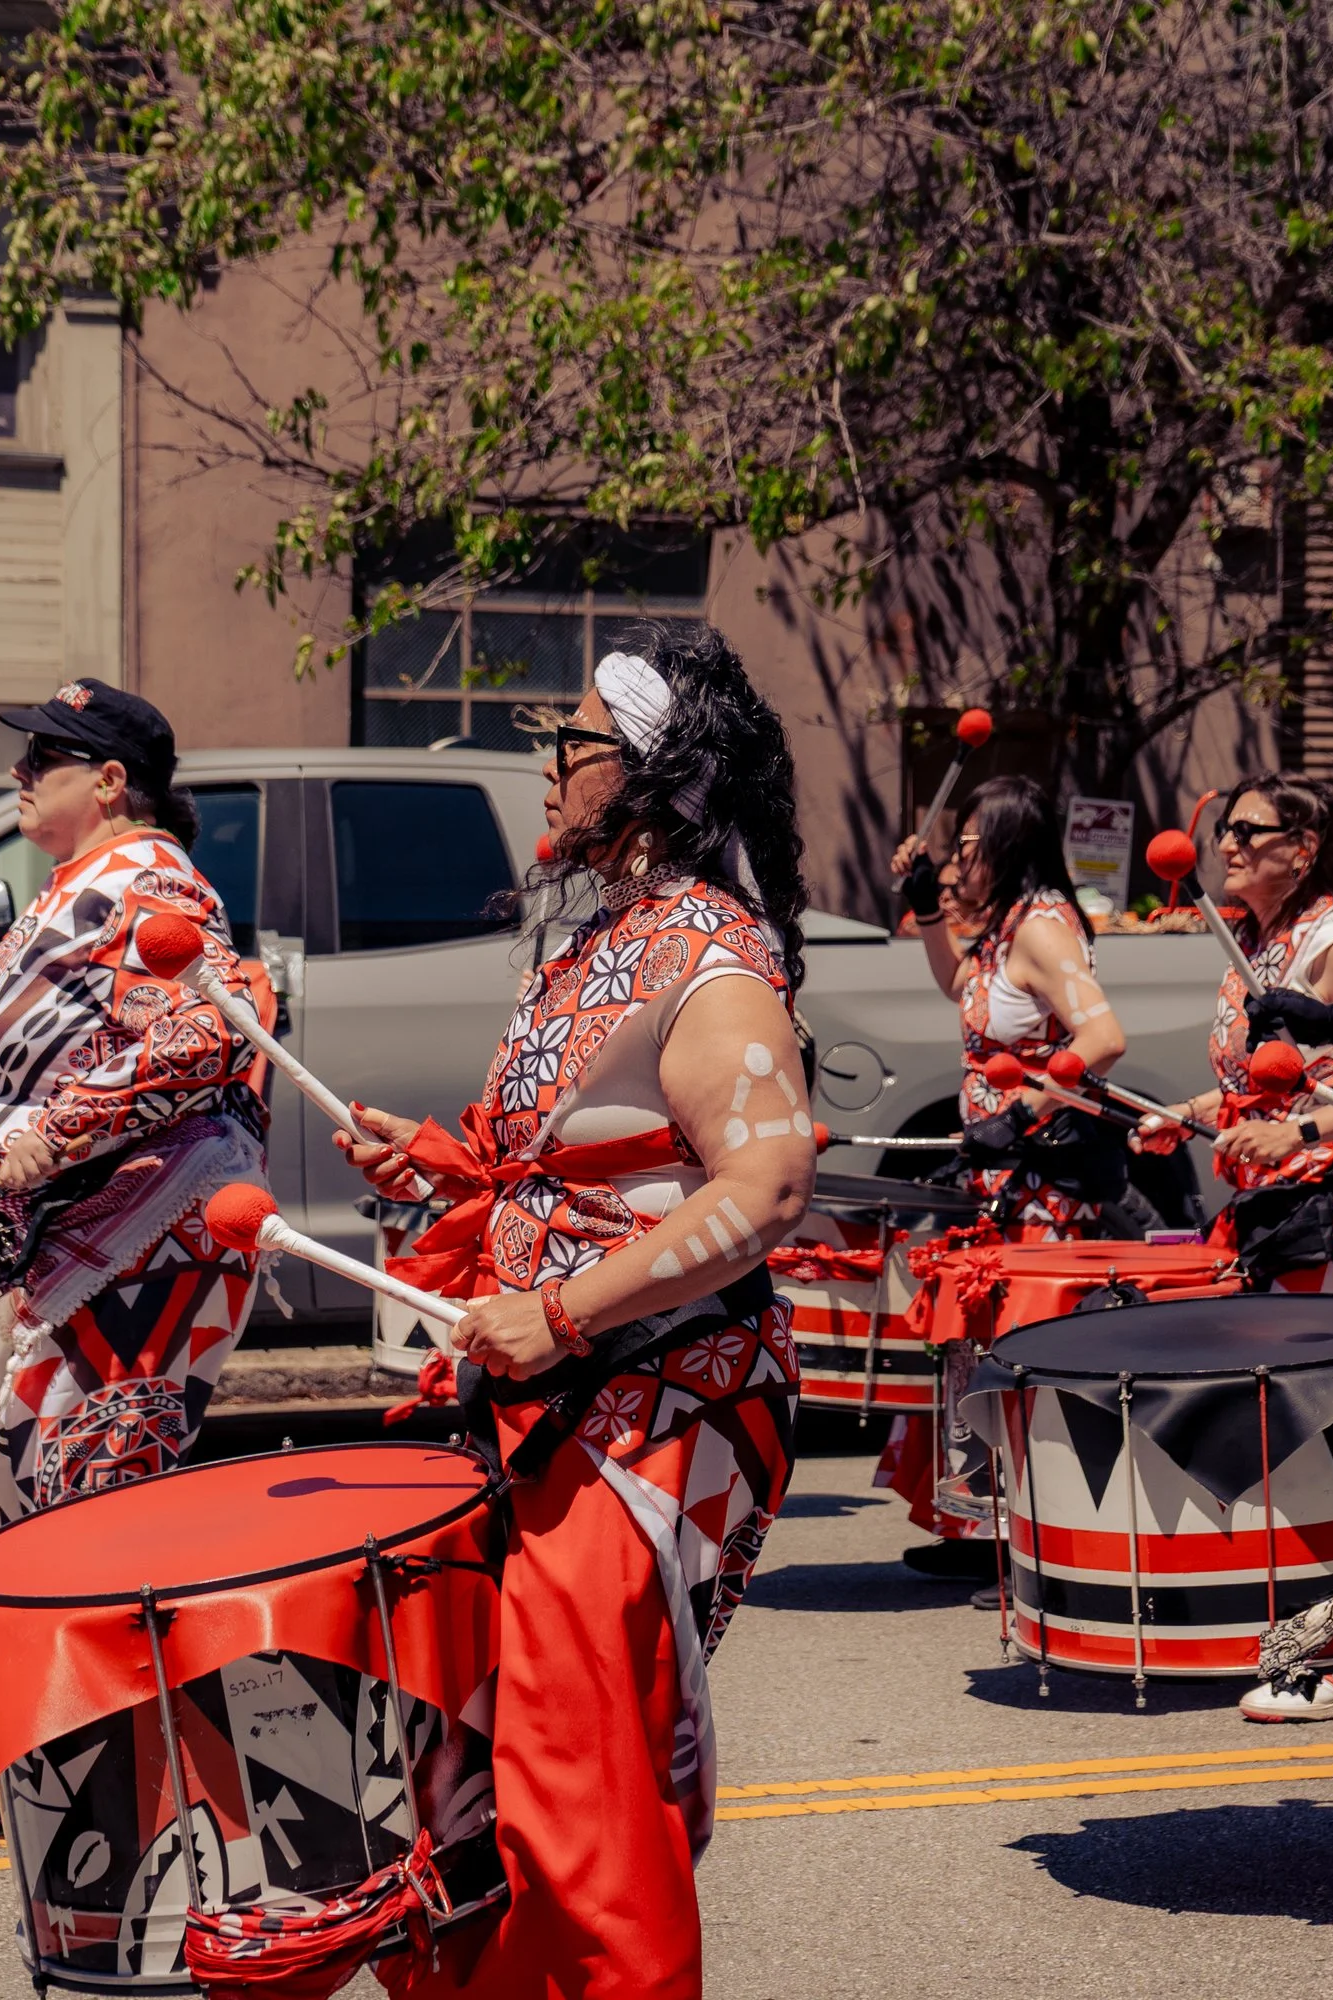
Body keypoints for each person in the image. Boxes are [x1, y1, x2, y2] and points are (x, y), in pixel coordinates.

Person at [339, 632, 811, 2000]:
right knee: (506, 1745)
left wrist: (561, 1309)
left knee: (575, 1767)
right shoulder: (602, 932)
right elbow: (582, 1152)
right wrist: (440, 1163)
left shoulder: (713, 960)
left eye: (575, 741)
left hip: (663, 1401)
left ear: (659, 777)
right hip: (568, 1403)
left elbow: (770, 1180)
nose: (547, 765)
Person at [0, 678, 271, 1753]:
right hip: (63, 1227)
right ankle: (2, 1684)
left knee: (79, 1470)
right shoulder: (84, 879)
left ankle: (95, 1731)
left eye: (43, 762)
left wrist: (61, 1128)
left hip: (146, 1233)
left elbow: (209, 1030)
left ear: (111, 783)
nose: (18, 777)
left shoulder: (154, 880)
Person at [1129, 776, 1333, 1724]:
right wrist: (1189, 1114)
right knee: (1281, 1442)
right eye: (1223, 832)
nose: (1227, 846)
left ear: (1307, 843)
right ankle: (1299, 1636)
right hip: (1263, 1220)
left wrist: (1307, 1133)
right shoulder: (1253, 938)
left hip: (1331, 1221)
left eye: (1250, 832)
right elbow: (1260, 1091)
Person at [876, 777, 1131, 1575]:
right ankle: (986, 1529)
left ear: (1010, 845)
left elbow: (1104, 1037)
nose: (957, 860)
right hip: (997, 1177)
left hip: (1042, 1179)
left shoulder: (1046, 927)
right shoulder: (1003, 926)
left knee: (1022, 1352)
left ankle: (1039, 1540)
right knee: (980, 1347)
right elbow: (963, 988)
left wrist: (1020, 1111)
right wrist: (926, 909)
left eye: (969, 847)